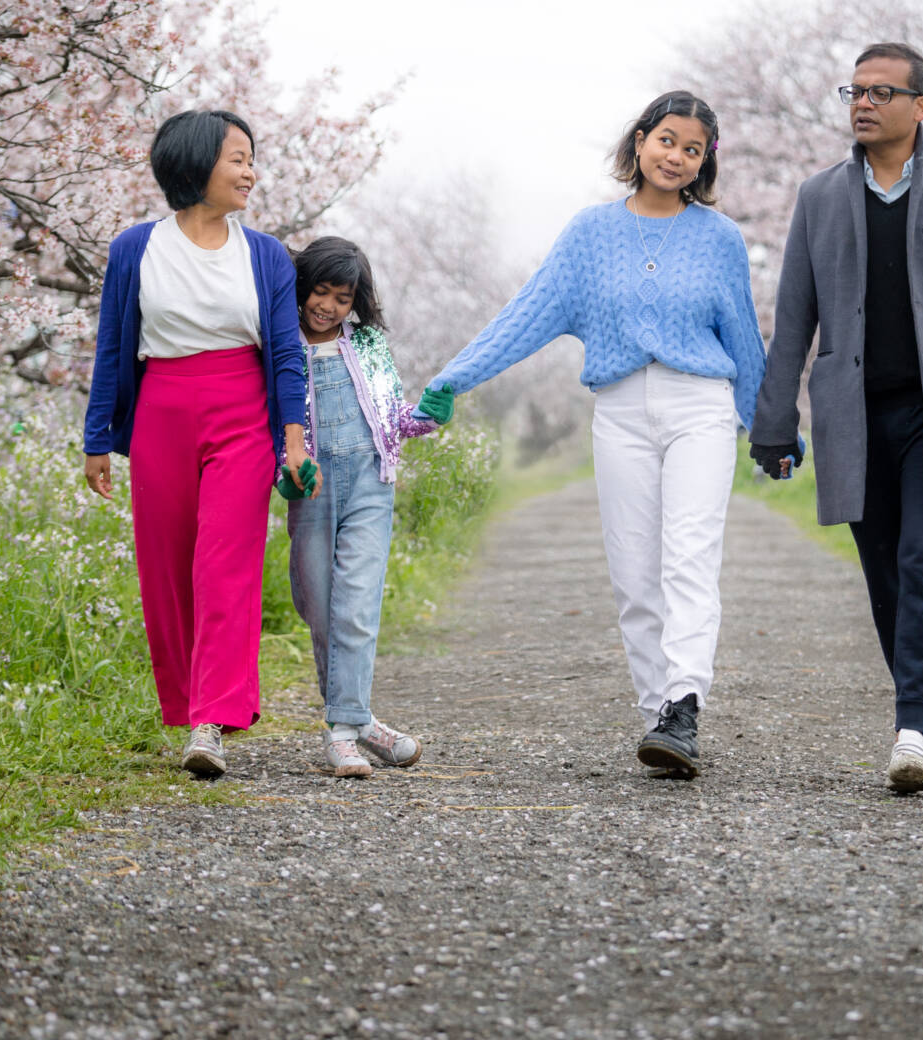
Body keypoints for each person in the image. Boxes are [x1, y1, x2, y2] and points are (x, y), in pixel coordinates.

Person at [413, 91, 765, 779]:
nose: (677, 157)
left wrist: (770, 424)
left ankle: (685, 703)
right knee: (635, 571)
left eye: (693, 149)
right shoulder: (589, 234)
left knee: (688, 556)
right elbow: (526, 315)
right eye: (667, 140)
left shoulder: (719, 239)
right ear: (639, 141)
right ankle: (658, 718)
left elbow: (744, 338)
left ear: (704, 163)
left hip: (700, 406)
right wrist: (451, 378)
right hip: (622, 410)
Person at [748, 43, 923, 794]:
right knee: (884, 579)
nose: (863, 103)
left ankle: (912, 728)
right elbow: (794, 319)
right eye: (855, 90)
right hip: (854, 418)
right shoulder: (819, 198)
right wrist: (773, 423)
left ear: (921, 106)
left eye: (881, 92)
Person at [82, 109, 317, 779]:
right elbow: (113, 346)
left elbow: (284, 357)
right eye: (238, 158)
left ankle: (209, 721)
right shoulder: (135, 248)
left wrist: (293, 442)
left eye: (251, 158)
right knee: (167, 568)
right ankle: (190, 706)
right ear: (196, 164)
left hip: (242, 414)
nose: (251, 172)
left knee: (223, 565)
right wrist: (97, 436)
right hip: (161, 411)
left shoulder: (265, 255)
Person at [282, 235, 442, 777]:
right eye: (319, 292)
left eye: (342, 298)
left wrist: (432, 411)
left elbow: (395, 417)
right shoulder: (280, 344)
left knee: (356, 605)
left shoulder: (367, 343)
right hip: (312, 488)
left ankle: (343, 733)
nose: (328, 306)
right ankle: (360, 721)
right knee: (319, 605)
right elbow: (268, 422)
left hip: (371, 483)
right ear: (301, 288)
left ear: (357, 302)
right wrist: (282, 472)